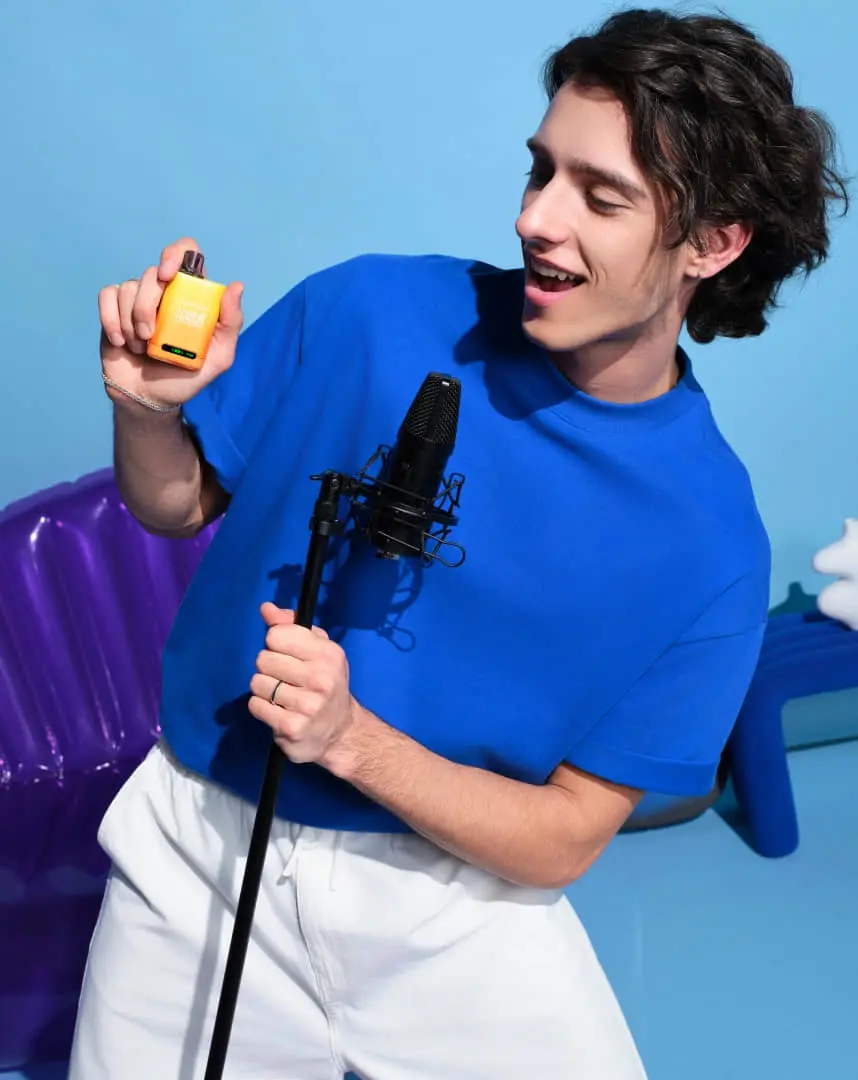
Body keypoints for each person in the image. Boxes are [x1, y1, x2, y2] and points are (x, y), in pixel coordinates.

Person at [70, 8, 847, 1079]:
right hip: (200, 852)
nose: (536, 218)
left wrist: (353, 740)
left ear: (714, 243)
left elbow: (568, 834)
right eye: (541, 171)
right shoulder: (367, 308)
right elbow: (177, 505)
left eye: (601, 196)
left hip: (458, 905)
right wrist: (148, 410)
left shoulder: (710, 541)